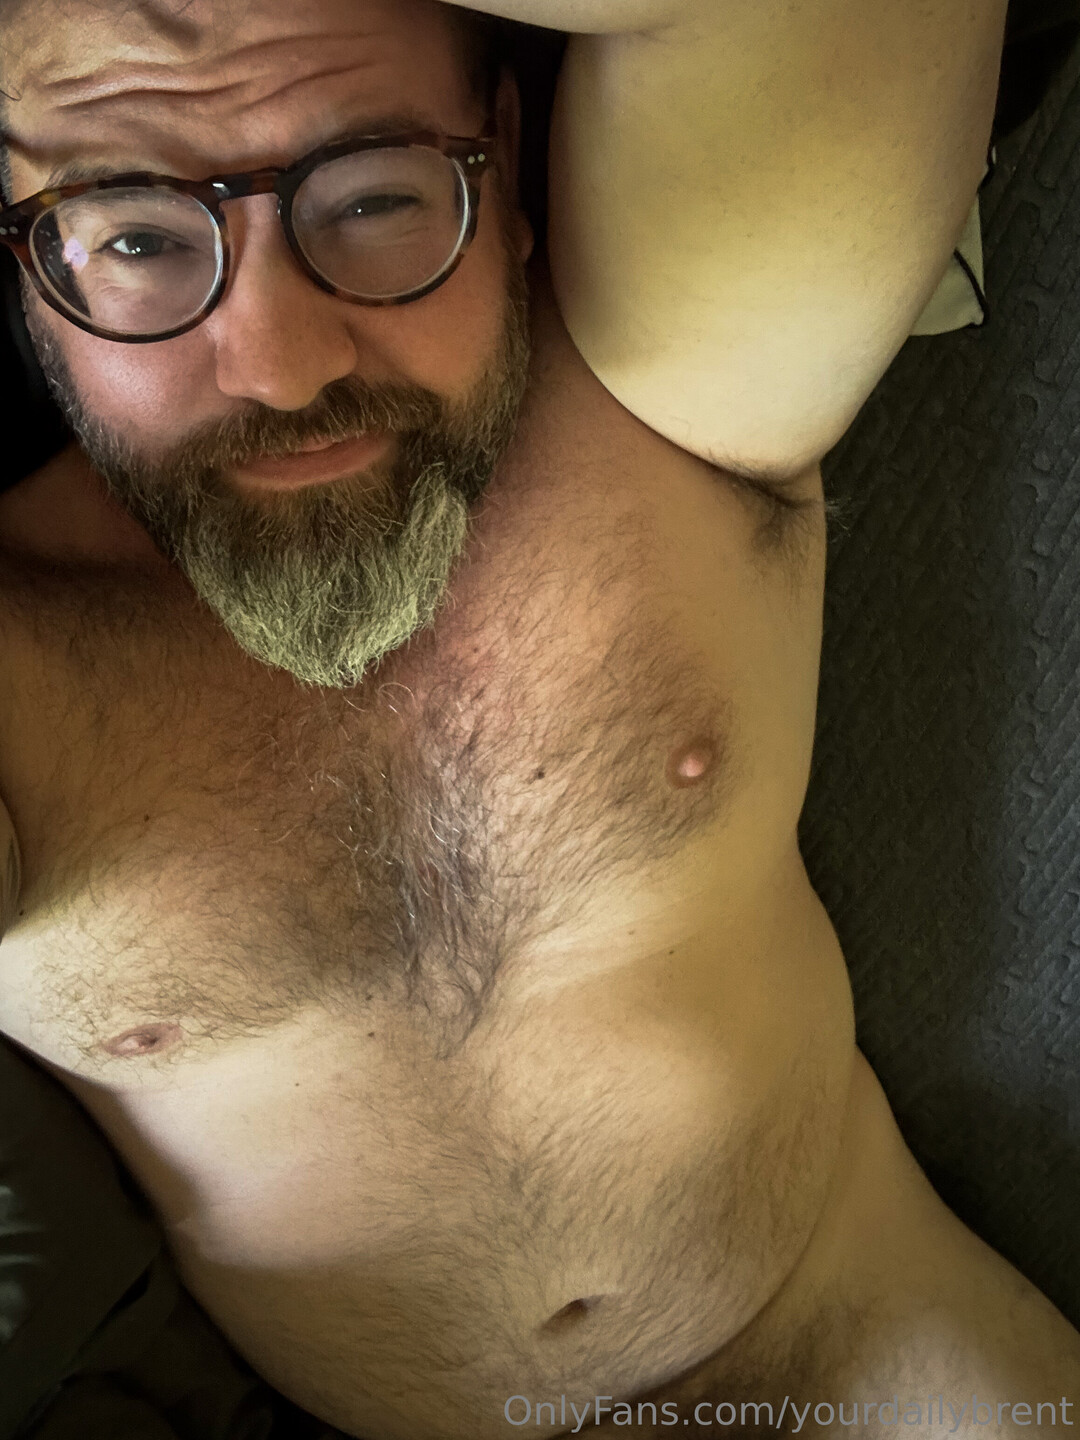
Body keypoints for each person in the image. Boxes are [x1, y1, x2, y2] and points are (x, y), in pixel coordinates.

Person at [0, 0, 1075, 1436]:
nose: (282, 363)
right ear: (26, 267)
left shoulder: (660, 401)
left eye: (374, 199)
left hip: (873, 1348)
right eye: (135, 239)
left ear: (502, 160)